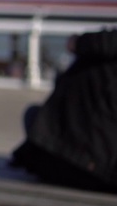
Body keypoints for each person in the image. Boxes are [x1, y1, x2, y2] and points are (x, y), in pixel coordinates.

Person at [10, 29, 117, 193]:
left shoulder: (98, 56)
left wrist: (78, 42)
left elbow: (104, 42)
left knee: (33, 117)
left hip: (86, 163)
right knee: (35, 118)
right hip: (86, 156)